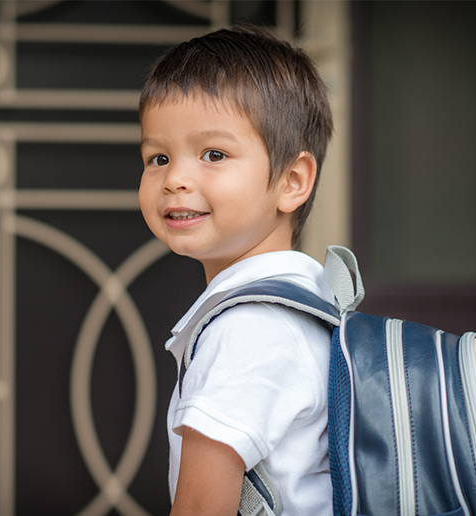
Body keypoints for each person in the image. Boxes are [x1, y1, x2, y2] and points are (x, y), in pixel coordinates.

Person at [137, 25, 335, 515]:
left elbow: (203, 506)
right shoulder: (306, 303)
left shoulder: (251, 329)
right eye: (158, 157)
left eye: (213, 155)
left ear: (292, 181)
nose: (175, 179)